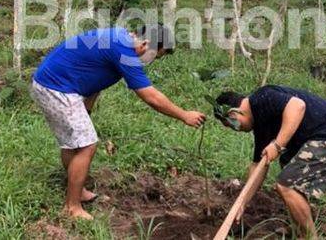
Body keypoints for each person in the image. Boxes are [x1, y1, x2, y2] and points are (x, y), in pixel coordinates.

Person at [31, 25, 206, 220]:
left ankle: (77, 191)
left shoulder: (120, 39)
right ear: (146, 44)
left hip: (51, 83)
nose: (150, 61)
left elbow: (94, 75)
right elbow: (151, 97)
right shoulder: (124, 52)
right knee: (86, 145)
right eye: (155, 56)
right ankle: (72, 207)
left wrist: (86, 110)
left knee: (74, 142)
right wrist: (184, 115)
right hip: (57, 88)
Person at [212, 85, 326, 238]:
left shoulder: (262, 98)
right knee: (288, 167)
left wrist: (277, 145)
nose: (236, 129)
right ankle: (299, 230)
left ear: (233, 113)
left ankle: (309, 237)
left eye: (231, 124)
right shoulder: (260, 123)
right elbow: (258, 166)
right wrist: (242, 202)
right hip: (323, 134)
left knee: (286, 186)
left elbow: (297, 106)